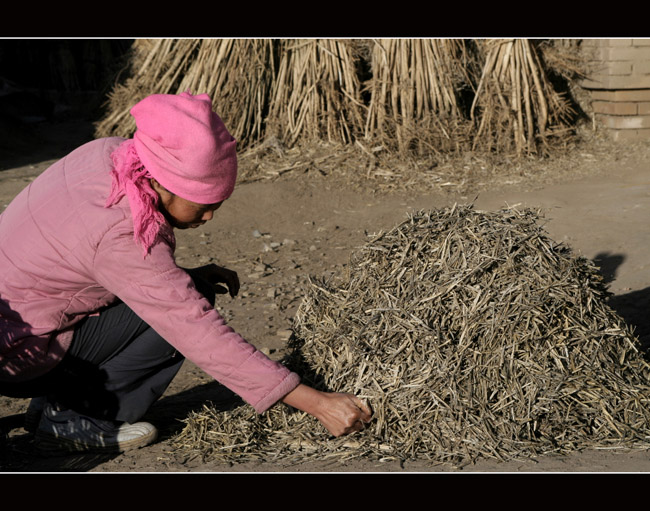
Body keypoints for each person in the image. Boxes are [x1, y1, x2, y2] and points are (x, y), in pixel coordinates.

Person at [0, 91, 372, 453]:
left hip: (21, 325)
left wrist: (183, 277)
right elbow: (196, 329)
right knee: (186, 308)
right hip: (21, 353)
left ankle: (57, 399)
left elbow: (78, 262)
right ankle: (74, 416)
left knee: (187, 287)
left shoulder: (113, 153)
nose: (209, 216)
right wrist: (317, 402)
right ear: (163, 183)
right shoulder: (122, 230)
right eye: (205, 204)